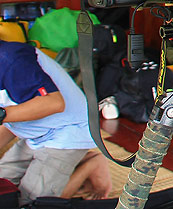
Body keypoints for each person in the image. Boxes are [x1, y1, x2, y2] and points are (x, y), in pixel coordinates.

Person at [0, 40, 111, 203]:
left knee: (32, 202)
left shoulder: (11, 60)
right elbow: (10, 118)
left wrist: (2, 115)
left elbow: (54, 103)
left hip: (67, 131)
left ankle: (91, 164)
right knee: (4, 189)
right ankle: (80, 161)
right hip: (36, 133)